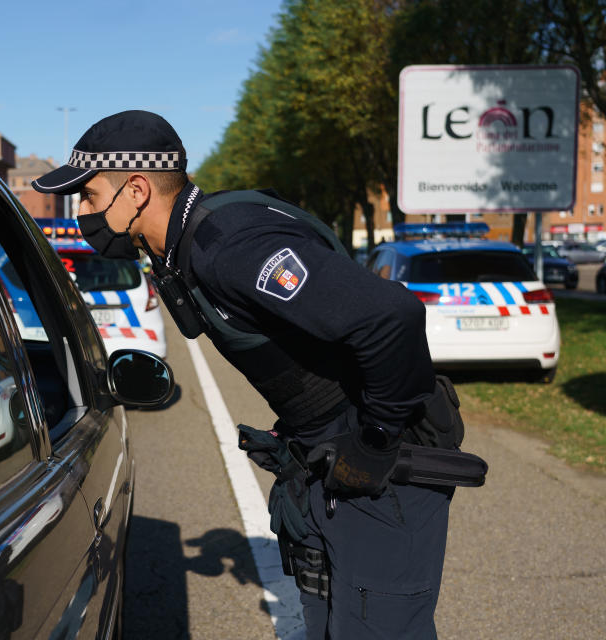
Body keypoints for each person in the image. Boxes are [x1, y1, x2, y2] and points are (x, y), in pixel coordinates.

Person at [32, 110, 458, 639]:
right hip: (327, 452)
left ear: (136, 190)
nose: (83, 212)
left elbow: (391, 318)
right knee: (330, 625)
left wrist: (374, 439)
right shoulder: (187, 246)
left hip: (382, 463)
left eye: (90, 197)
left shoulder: (231, 246)